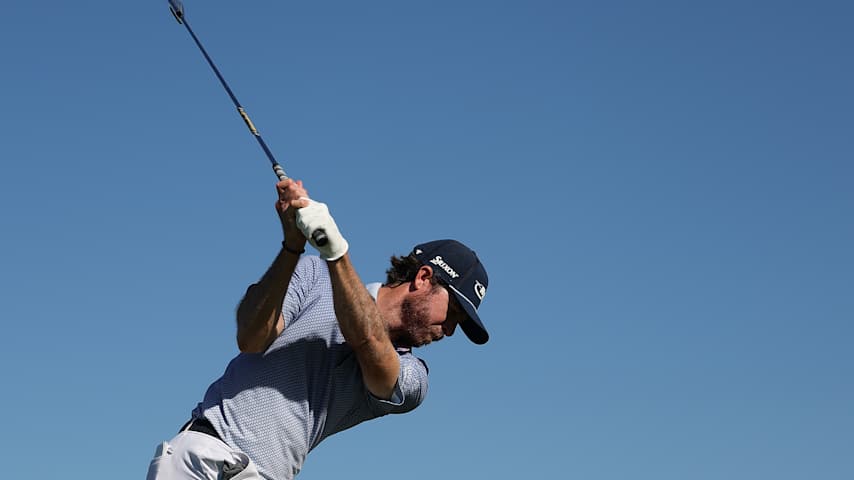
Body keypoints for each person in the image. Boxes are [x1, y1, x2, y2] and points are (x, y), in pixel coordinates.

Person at [146, 179, 490, 480]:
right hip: (205, 453)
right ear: (424, 277)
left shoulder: (413, 376)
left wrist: (336, 252)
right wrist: (292, 247)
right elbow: (250, 338)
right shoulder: (313, 275)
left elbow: (368, 339)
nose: (450, 330)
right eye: (454, 313)